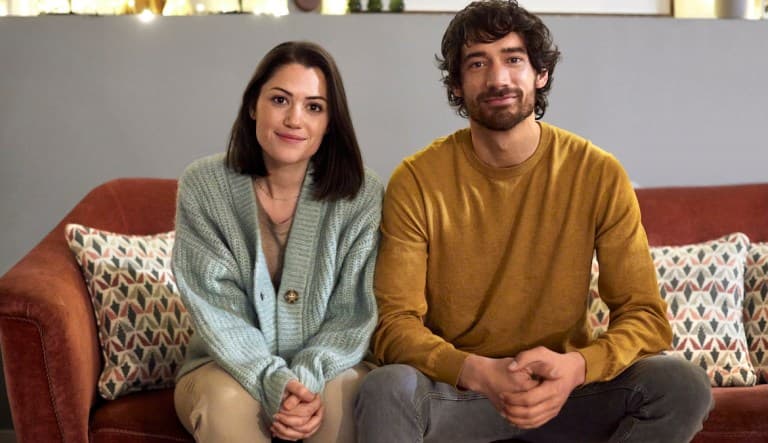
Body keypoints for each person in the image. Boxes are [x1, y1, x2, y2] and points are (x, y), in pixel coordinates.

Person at [355, 1, 713, 442]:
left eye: (513, 59)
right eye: (477, 63)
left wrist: (576, 368)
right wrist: (477, 371)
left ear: (540, 73)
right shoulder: (417, 180)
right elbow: (393, 324)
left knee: (681, 384)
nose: (498, 78)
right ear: (456, 86)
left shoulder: (597, 173)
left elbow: (645, 316)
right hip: (461, 394)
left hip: (567, 395)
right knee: (386, 387)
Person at [172, 41, 382, 443]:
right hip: (225, 367)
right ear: (254, 105)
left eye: (314, 107)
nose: (294, 119)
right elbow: (219, 312)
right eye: (280, 100)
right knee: (230, 405)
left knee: (342, 401)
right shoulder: (203, 187)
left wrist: (304, 381)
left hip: (331, 366)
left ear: (330, 122)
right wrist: (274, 381)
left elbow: (353, 313)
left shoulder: (362, 195)